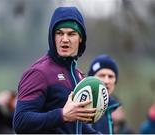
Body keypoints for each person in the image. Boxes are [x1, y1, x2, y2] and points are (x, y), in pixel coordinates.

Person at [13, 6, 99, 134]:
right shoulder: (39, 72)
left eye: (71, 34)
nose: (64, 39)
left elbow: (74, 125)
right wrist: (62, 115)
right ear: (52, 37)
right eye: (59, 33)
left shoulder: (77, 75)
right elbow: (20, 121)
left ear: (80, 38)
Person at [87, 54, 121, 134]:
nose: (106, 81)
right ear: (91, 79)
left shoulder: (110, 108)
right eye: (102, 75)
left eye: (111, 76)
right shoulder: (82, 107)